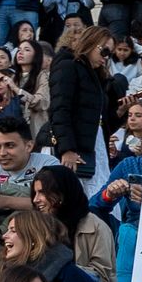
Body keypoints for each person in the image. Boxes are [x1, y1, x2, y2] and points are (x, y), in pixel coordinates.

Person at [46, 21, 116, 180]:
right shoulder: (68, 66)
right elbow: (59, 110)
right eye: (104, 51)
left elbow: (96, 117)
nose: (106, 58)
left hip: (93, 143)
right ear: (91, 43)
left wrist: (120, 113)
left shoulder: (94, 74)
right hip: (76, 147)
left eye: (109, 54)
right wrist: (67, 149)